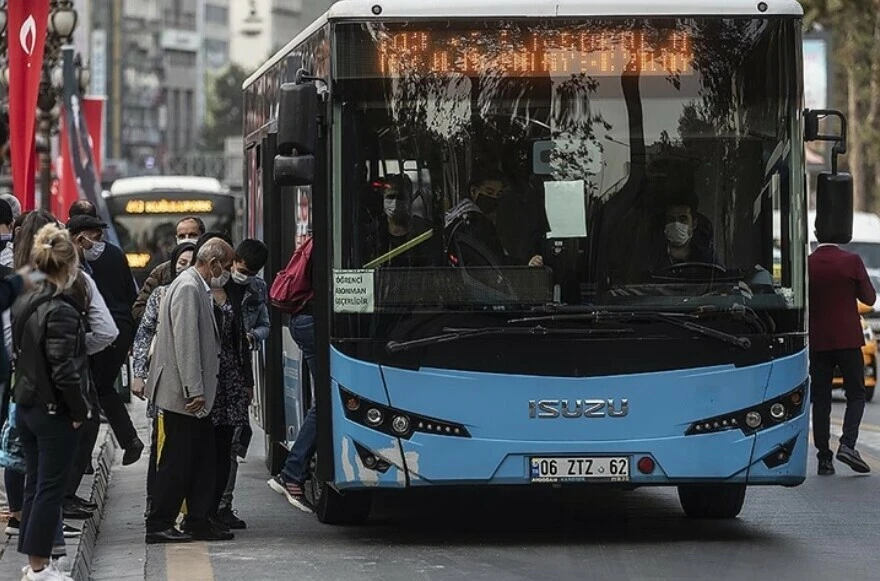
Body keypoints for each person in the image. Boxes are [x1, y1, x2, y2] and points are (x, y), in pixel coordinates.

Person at [144, 238, 235, 544]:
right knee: (177, 460)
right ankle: (160, 522)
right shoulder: (187, 287)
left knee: (200, 458)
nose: (226, 273)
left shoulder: (195, 285)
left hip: (191, 392)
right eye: (225, 266)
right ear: (213, 263)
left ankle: (198, 519)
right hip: (184, 393)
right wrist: (193, 388)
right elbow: (186, 342)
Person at [12, 224, 88, 581]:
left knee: (35, 485)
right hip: (52, 410)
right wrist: (78, 410)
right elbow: (64, 370)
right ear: (69, 266)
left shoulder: (25, 300)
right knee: (49, 489)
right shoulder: (62, 310)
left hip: (27, 404)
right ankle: (41, 568)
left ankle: (35, 564)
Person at [67, 214, 144, 471]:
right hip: (114, 331)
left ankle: (124, 443)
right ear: (79, 236)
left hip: (106, 332)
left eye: (100, 237)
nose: (97, 243)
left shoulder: (100, 258)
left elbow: (129, 294)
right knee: (99, 389)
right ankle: (126, 441)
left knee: (96, 390)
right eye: (94, 237)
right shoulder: (76, 260)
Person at [131, 242, 195, 520]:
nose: (186, 268)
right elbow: (144, 334)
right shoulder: (160, 295)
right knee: (162, 444)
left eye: (191, 263)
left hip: (198, 388)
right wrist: (139, 374)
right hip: (164, 382)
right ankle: (155, 505)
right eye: (181, 263)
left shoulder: (208, 294)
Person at [809, 226, 877, 475]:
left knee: (821, 400)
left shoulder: (807, 264)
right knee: (857, 394)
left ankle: (824, 458)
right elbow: (869, 298)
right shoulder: (851, 261)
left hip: (818, 342)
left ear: (817, 236)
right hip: (848, 340)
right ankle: (847, 444)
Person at [217, 239, 269, 530]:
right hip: (214, 373)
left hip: (239, 372)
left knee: (232, 444)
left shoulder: (257, 289)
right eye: (240, 268)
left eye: (250, 273)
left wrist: (252, 337)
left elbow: (265, 325)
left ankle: (224, 505)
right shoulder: (213, 286)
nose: (243, 275)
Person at [268, 241, 315, 513]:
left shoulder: (312, 241)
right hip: (311, 321)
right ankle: (292, 472)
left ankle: (293, 472)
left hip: (303, 320)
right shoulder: (329, 241)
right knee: (329, 400)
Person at [446, 171, 543, 268]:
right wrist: (525, 264)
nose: (494, 198)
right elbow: (496, 261)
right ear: (473, 191)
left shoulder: (456, 216)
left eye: (498, 194)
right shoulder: (475, 222)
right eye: (489, 192)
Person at [132, 216, 206, 321]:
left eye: (192, 235)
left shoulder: (212, 269)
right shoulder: (160, 272)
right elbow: (138, 309)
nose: (186, 239)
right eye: (181, 236)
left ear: (202, 237)